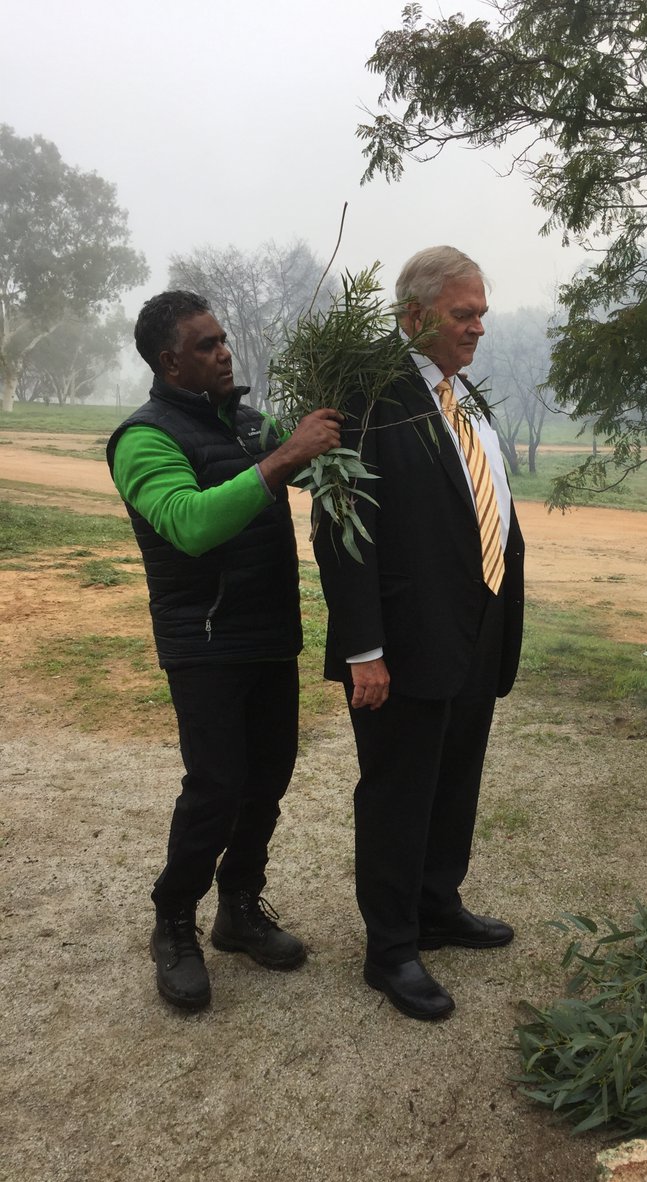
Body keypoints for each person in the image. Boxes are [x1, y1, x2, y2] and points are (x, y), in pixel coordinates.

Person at [106, 290, 342, 1012]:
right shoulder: (142, 438)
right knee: (215, 788)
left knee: (267, 779)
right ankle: (174, 921)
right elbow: (189, 524)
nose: (224, 352)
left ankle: (239, 907)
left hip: (269, 635)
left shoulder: (250, 424)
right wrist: (287, 455)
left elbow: (319, 466)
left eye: (223, 340)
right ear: (169, 361)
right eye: (205, 345)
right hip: (204, 644)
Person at [313, 247, 525, 1021]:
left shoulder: (464, 395)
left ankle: (437, 904)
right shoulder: (367, 396)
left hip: (477, 624)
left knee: (455, 779)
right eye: (463, 314)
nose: (477, 328)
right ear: (414, 315)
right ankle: (391, 948)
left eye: (481, 314)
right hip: (403, 641)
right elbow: (342, 528)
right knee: (399, 793)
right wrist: (363, 649)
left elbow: (480, 502)